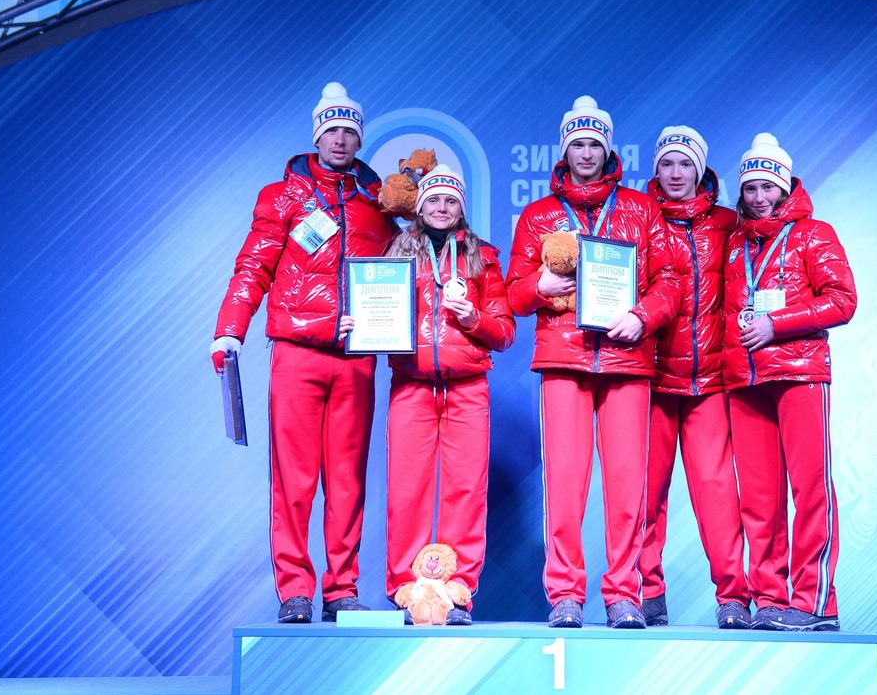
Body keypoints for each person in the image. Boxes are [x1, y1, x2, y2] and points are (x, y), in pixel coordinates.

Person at [210, 82, 398, 624]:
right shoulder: (282, 196)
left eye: (350, 131)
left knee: (348, 478)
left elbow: (402, 273)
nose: (341, 140)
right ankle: (295, 588)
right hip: (297, 352)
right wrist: (230, 329)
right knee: (294, 478)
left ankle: (342, 590)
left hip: (356, 357)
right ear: (317, 135)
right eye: (332, 130)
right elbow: (253, 266)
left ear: (360, 137)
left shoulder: (379, 203)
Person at [506, 96, 678, 629]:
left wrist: (644, 317)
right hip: (564, 359)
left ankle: (624, 592)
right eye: (576, 144)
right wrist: (539, 286)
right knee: (564, 482)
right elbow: (511, 295)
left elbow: (670, 281)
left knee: (627, 484)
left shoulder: (641, 209)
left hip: (627, 360)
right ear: (565, 150)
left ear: (607, 149)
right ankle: (565, 594)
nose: (585, 153)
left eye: (593, 144)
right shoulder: (538, 216)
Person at [721, 133, 857, 632]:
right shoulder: (735, 242)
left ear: (784, 187)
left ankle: (816, 602)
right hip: (745, 379)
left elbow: (843, 300)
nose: (758, 197)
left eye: (766, 187)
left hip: (799, 373)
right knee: (759, 498)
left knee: (810, 489)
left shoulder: (814, 233)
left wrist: (777, 324)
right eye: (750, 188)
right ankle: (771, 599)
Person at [383, 165, 516, 626]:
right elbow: (378, 311)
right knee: (407, 490)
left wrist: (473, 317)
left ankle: (456, 595)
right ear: (420, 207)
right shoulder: (396, 251)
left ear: (462, 208)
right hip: (412, 384)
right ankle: (407, 590)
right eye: (434, 200)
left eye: (451, 201)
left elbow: (505, 333)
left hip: (466, 388)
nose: (442, 209)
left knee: (465, 491)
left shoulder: (485, 258)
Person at [639, 126, 752, 629]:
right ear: (656, 170)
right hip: (651, 379)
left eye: (685, 164)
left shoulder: (731, 223)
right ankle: (645, 593)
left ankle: (734, 596)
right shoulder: (637, 219)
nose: (676, 173)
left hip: (710, 382)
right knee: (644, 493)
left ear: (702, 170)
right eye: (667, 164)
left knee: (717, 492)